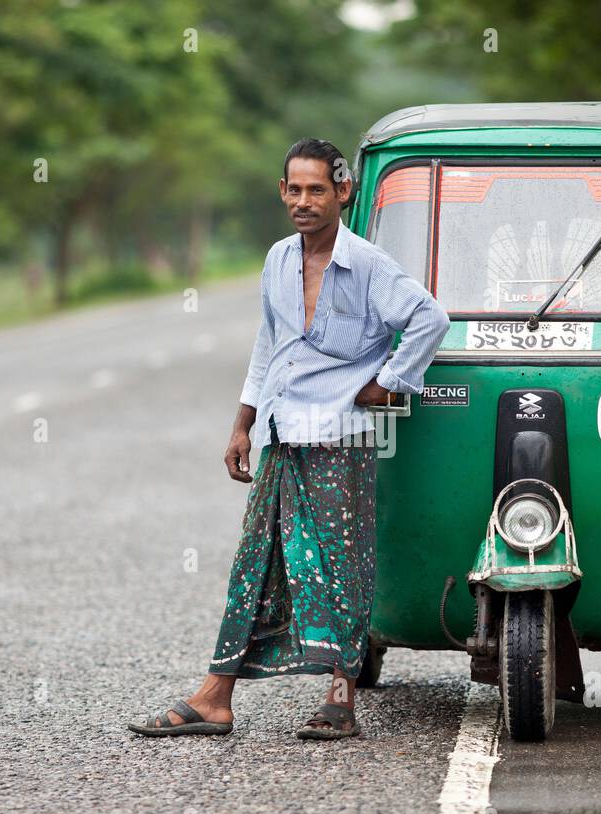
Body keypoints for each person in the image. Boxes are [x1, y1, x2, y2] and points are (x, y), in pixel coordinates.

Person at [128, 137, 449, 740]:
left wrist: (389, 383)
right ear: (283, 192)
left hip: (340, 438)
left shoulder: (370, 266)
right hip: (282, 433)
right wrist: (242, 423)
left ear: (343, 193)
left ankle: (340, 698)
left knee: (339, 566)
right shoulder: (277, 259)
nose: (304, 201)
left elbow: (430, 318)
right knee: (258, 561)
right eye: (294, 190)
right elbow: (269, 344)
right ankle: (216, 696)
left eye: (317, 190)